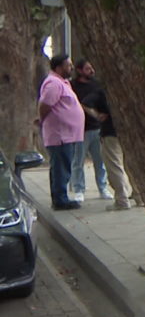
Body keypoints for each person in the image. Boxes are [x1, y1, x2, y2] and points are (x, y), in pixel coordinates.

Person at [80, 86, 140, 211]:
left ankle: (122, 199)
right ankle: (140, 196)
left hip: (111, 132)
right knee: (131, 165)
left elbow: (85, 103)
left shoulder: (103, 90)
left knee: (114, 166)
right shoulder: (128, 88)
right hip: (130, 131)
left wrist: (97, 115)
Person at [38, 54, 85, 210]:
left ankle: (60, 197)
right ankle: (60, 200)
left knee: (63, 166)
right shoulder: (53, 83)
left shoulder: (62, 82)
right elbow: (45, 104)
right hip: (60, 136)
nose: (71, 68)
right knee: (60, 167)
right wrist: (42, 120)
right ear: (59, 68)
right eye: (68, 65)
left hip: (68, 135)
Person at [69, 59, 109, 201]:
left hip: (97, 128)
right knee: (78, 161)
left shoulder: (97, 84)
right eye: (87, 68)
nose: (91, 71)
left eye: (92, 68)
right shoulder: (72, 86)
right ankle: (79, 189)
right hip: (80, 129)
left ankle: (103, 188)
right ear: (79, 70)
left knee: (100, 160)